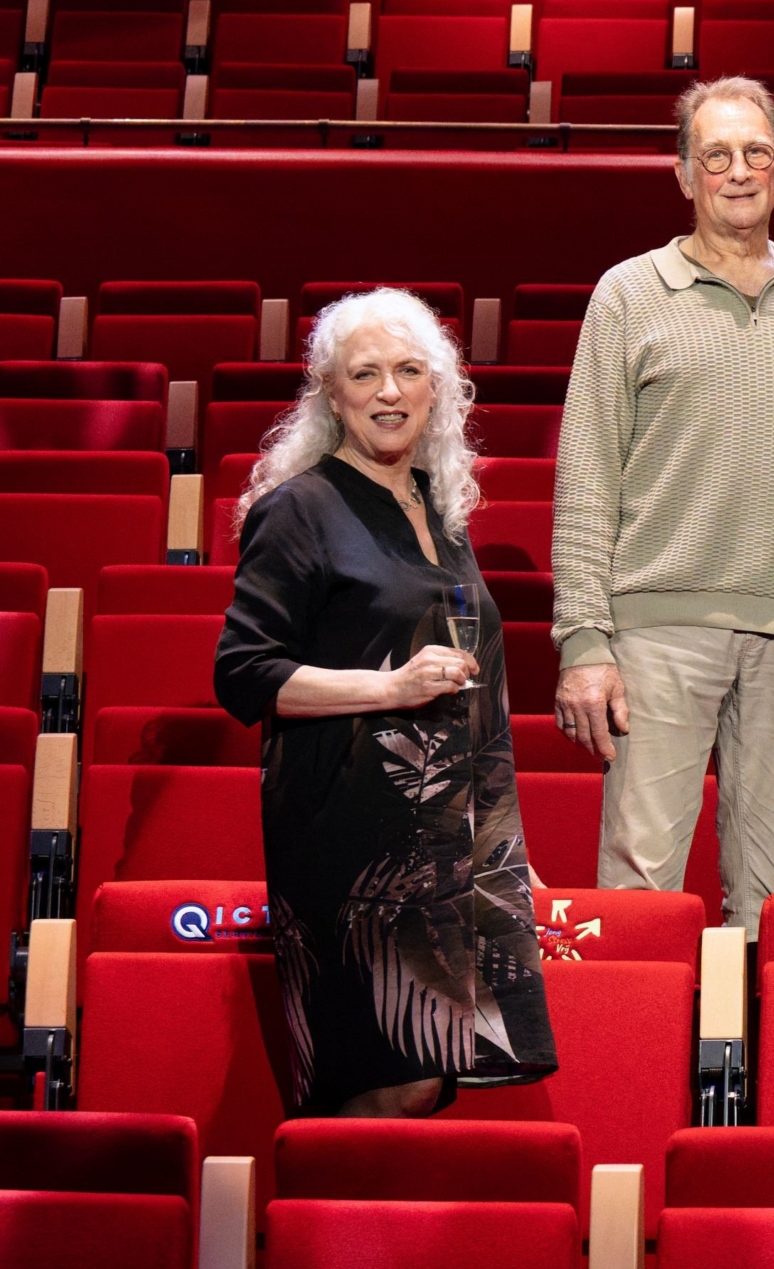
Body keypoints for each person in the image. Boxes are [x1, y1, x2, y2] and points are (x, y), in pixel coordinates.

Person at [214, 289, 556, 1118]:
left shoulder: (440, 510)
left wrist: (503, 842)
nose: (390, 392)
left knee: (433, 1076)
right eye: (365, 374)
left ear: (440, 387)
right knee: (385, 1077)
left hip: (452, 848)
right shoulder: (299, 509)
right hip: (353, 847)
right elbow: (244, 674)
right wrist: (390, 687)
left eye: (409, 371)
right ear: (332, 394)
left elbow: (477, 697)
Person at [552, 77, 774, 942]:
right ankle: (636, 1069)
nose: (739, 172)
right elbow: (586, 475)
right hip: (656, 631)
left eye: (757, 152)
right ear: (684, 175)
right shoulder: (629, 293)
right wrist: (583, 640)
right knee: (641, 888)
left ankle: (751, 1072)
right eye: (717, 155)